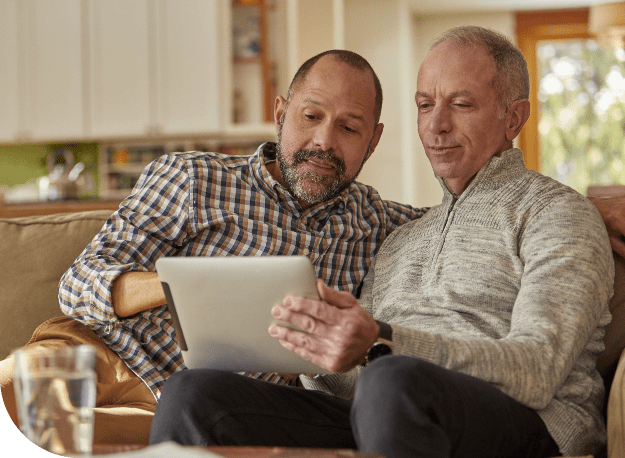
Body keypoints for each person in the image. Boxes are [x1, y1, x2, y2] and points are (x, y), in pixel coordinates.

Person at [149, 26, 615, 458]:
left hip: (528, 423)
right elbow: (352, 388)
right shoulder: (402, 237)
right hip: (392, 413)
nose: (436, 126)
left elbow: (536, 372)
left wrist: (384, 342)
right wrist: (314, 348)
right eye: (425, 105)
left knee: (391, 380)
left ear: (513, 117)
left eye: (462, 104)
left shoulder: (558, 213)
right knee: (195, 394)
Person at [0, 50, 427, 425]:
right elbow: (78, 284)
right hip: (99, 352)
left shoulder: (380, 225)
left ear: (373, 141)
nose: (324, 141)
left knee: (67, 438)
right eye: (311, 116)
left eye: (349, 128)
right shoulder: (191, 177)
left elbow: (475, 205)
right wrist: (185, 284)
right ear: (280, 114)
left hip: (190, 406)